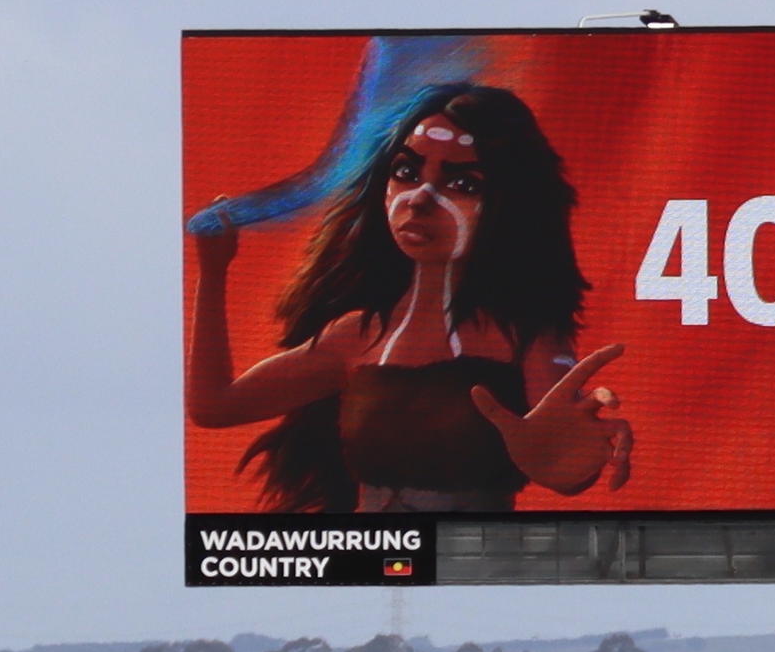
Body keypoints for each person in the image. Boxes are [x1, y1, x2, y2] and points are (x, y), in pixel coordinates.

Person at [189, 80, 634, 511]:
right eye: (406, 172)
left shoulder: (526, 338)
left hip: (472, 559)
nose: (420, 198)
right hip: (371, 559)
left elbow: (568, 467)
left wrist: (558, 456)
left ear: (512, 205)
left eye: (463, 184)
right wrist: (212, 271)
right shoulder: (357, 335)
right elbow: (214, 406)